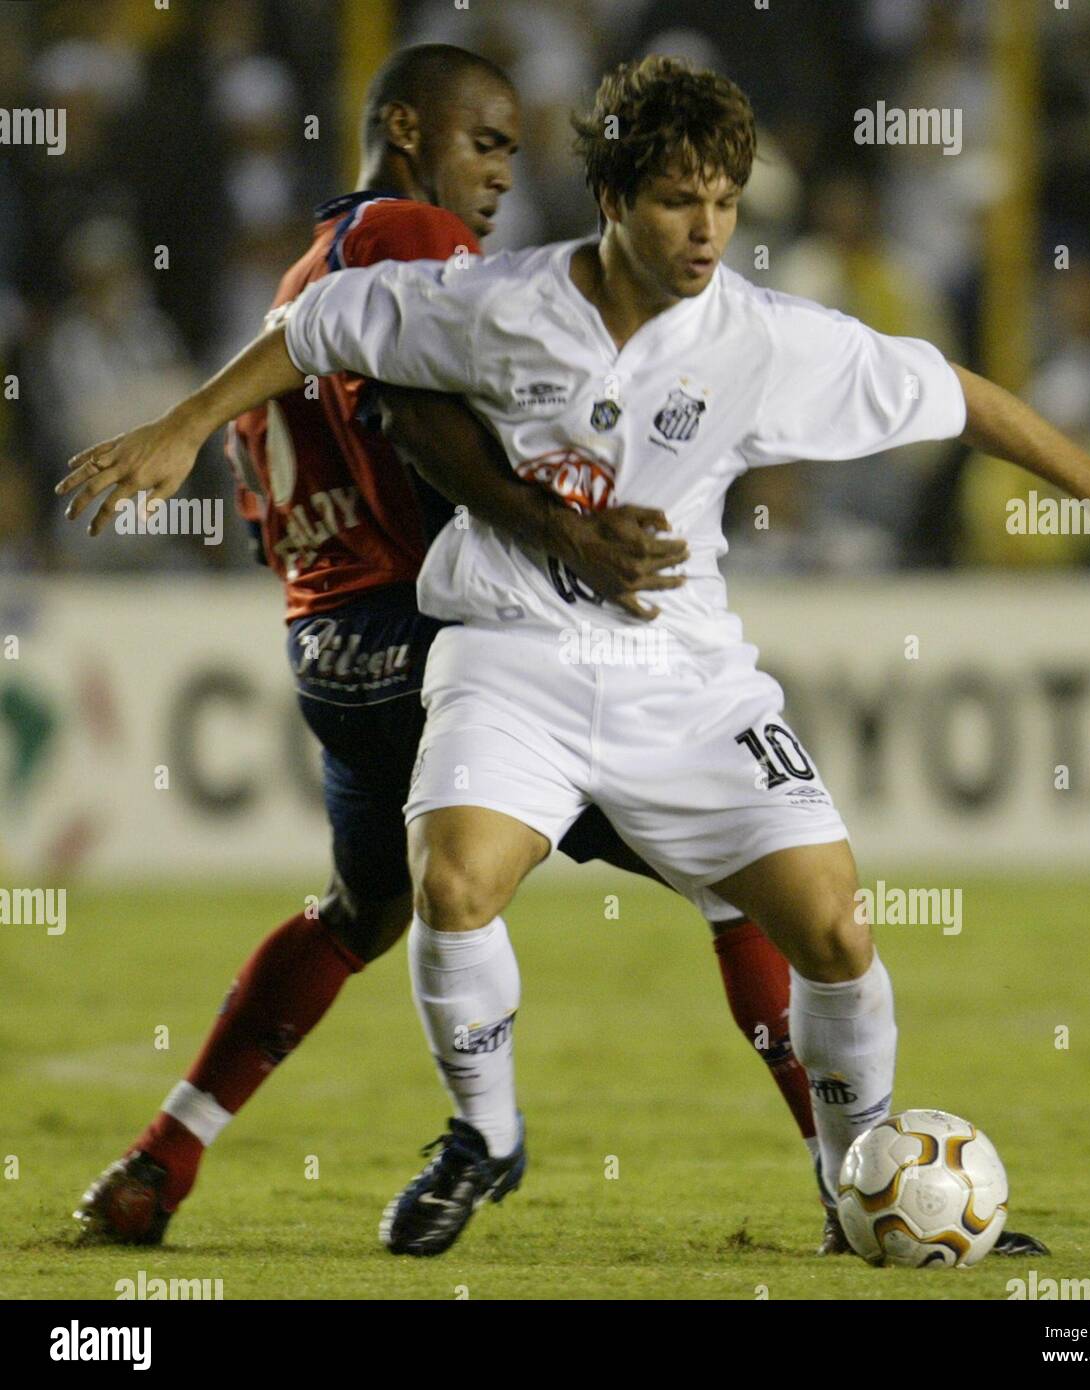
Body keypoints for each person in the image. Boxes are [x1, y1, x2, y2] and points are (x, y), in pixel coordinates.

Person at [64, 56, 1090, 1261]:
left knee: (834, 929)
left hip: (683, 676)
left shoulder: (760, 338)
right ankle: (487, 1136)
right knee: (451, 885)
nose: (707, 228)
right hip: (511, 654)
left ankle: (857, 1184)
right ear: (612, 198)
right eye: (676, 200)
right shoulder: (497, 299)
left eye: (724, 200)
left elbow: (952, 392)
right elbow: (319, 326)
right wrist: (180, 425)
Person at [67, 46, 825, 1253]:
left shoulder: (302, 276)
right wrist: (562, 527)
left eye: (513, 156)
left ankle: (161, 1157)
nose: (499, 181)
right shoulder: (408, 234)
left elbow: (294, 480)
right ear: (408, 130)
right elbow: (417, 414)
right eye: (486, 145)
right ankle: (850, 1179)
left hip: (328, 648)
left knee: (361, 909)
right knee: (746, 873)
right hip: (432, 640)